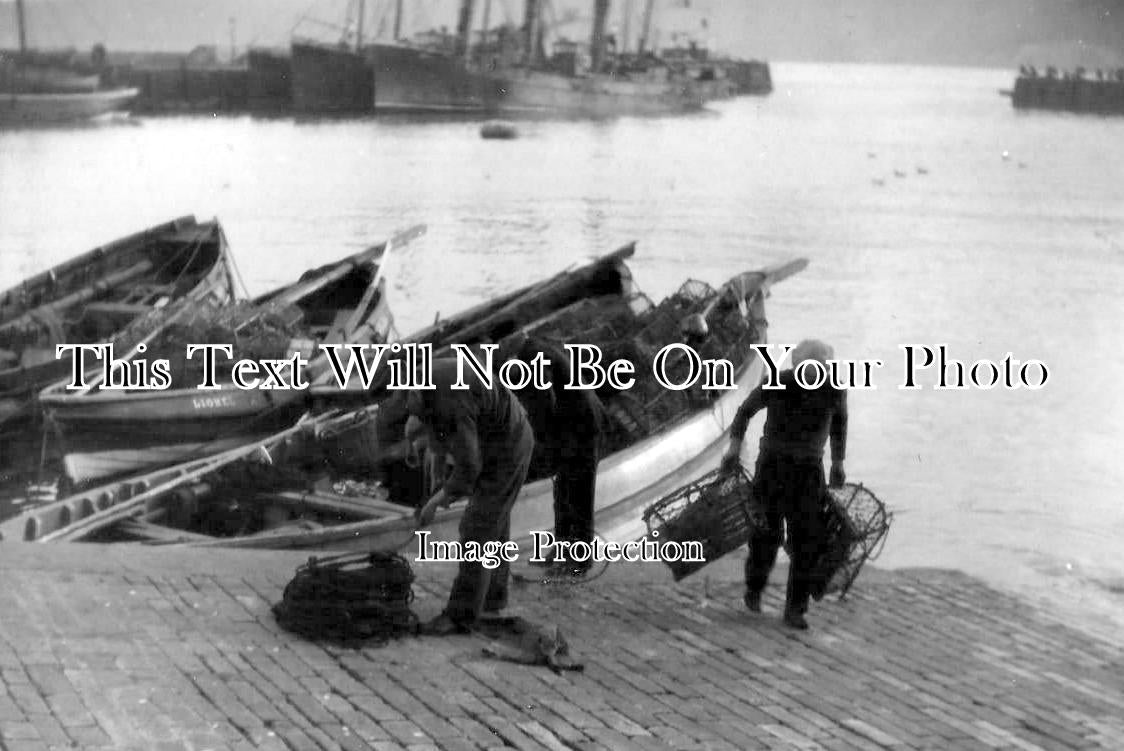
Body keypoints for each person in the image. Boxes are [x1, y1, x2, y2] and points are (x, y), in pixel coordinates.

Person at [377, 356, 535, 636]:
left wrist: (436, 502)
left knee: (476, 527)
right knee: (493, 526)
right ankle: (493, 597)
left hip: (509, 447)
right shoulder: (424, 383)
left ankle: (460, 616)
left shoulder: (449, 396)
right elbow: (440, 439)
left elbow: (470, 466)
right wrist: (436, 479)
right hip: (492, 438)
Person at [720, 339, 847, 630]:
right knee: (766, 533)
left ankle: (795, 609)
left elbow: (840, 424)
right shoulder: (780, 382)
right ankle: (755, 589)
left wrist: (837, 463)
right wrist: (734, 448)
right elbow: (745, 411)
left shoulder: (835, 389)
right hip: (773, 466)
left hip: (808, 470)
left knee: (806, 540)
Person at [498, 332, 605, 577]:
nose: (501, 346)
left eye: (502, 341)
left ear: (514, 338)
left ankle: (579, 561)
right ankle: (561, 548)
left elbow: (543, 402)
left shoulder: (533, 355)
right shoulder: (539, 345)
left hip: (583, 425)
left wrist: (539, 442)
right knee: (563, 488)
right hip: (573, 425)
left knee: (578, 491)